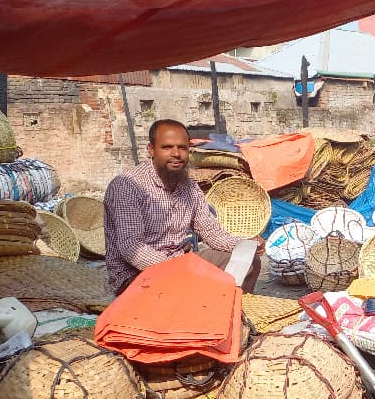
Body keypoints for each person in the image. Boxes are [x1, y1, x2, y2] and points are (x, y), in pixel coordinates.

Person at [103, 119, 263, 295]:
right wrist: (177, 270)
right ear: (151, 149)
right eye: (167, 147)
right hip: (135, 274)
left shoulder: (190, 187)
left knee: (249, 261)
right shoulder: (128, 185)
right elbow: (131, 246)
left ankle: (228, 310)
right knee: (191, 291)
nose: (176, 154)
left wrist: (244, 244)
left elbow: (211, 232)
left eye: (182, 148)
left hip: (180, 263)